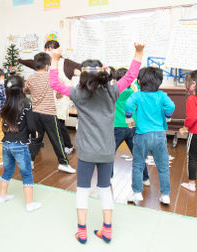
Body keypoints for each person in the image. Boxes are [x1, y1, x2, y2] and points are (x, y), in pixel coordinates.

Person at [49, 43, 144, 244]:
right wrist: (138, 52)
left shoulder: (77, 93)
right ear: (103, 74)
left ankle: (81, 232)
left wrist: (55, 61)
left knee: (82, 189)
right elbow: (130, 77)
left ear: (82, 76)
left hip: (86, 152)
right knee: (104, 188)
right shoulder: (112, 91)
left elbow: (55, 85)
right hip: (107, 150)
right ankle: (107, 230)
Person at [125, 67, 175, 205]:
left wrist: (129, 119)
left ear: (139, 82)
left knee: (138, 165)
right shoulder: (162, 95)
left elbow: (128, 105)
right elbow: (171, 106)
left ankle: (137, 193)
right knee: (163, 167)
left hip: (142, 135)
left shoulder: (137, 95)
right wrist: (168, 117)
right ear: (159, 82)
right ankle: (165, 195)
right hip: (159, 135)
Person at [24, 52, 75, 174]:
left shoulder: (31, 78)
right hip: (49, 113)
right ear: (48, 66)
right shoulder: (51, 77)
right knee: (57, 139)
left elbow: (25, 91)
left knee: (36, 139)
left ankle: (29, 162)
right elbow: (59, 92)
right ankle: (63, 163)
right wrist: (58, 95)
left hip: (35, 113)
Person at [0, 75, 42, 212]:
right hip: (20, 145)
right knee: (27, 173)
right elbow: (31, 126)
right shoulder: (26, 105)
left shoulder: (6, 105)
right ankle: (29, 204)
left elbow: (3, 127)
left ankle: (2, 196)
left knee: (8, 170)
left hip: (5, 144)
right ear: (22, 88)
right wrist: (35, 132)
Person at [112, 68, 149, 185]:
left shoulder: (115, 91)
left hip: (117, 126)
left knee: (109, 153)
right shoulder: (135, 90)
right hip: (133, 126)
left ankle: (108, 177)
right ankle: (145, 178)